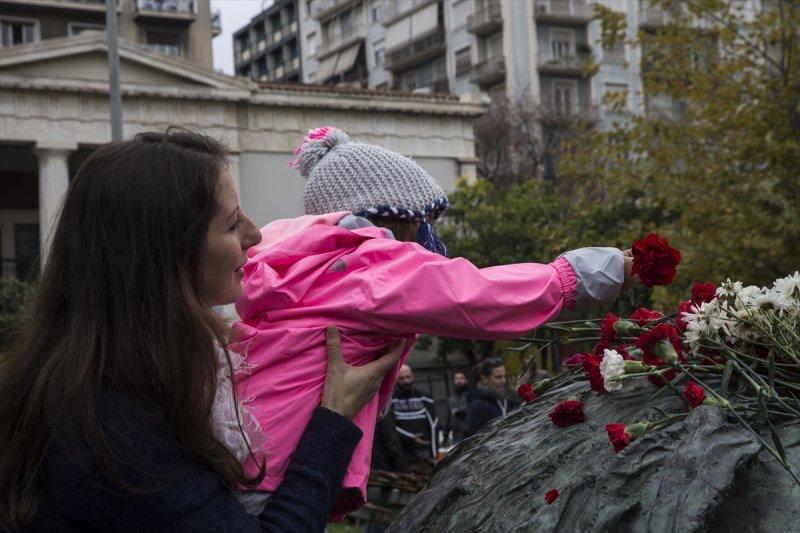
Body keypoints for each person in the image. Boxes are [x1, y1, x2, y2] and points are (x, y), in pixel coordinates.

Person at [0, 128, 405, 532]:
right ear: (168, 254)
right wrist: (333, 418)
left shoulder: (91, 380)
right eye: (231, 225)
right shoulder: (114, 432)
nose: (255, 234)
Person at [230, 126, 638, 518]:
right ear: (395, 219)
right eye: (424, 219)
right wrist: (590, 272)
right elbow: (480, 297)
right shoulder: (371, 268)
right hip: (285, 467)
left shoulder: (300, 269)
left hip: (248, 444)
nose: (430, 235)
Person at [391, 365, 439, 461]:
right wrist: (411, 438)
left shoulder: (425, 397)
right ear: (396, 379)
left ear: (412, 376)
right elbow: (390, 426)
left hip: (425, 449)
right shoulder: (391, 400)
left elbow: (434, 424)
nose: (406, 381)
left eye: (408, 377)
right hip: (403, 451)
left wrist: (434, 452)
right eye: (402, 378)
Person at [466, 358, 520, 437]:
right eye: (498, 377)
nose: (504, 381)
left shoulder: (512, 399)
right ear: (484, 378)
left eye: (505, 376)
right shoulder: (478, 406)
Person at [446, 371, 470, 445]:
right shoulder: (451, 398)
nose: (458, 381)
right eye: (456, 378)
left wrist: (457, 411)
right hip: (456, 434)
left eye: (461, 378)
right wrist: (445, 435)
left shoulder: (471, 395)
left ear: (466, 380)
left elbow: (469, 410)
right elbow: (448, 417)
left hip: (469, 433)